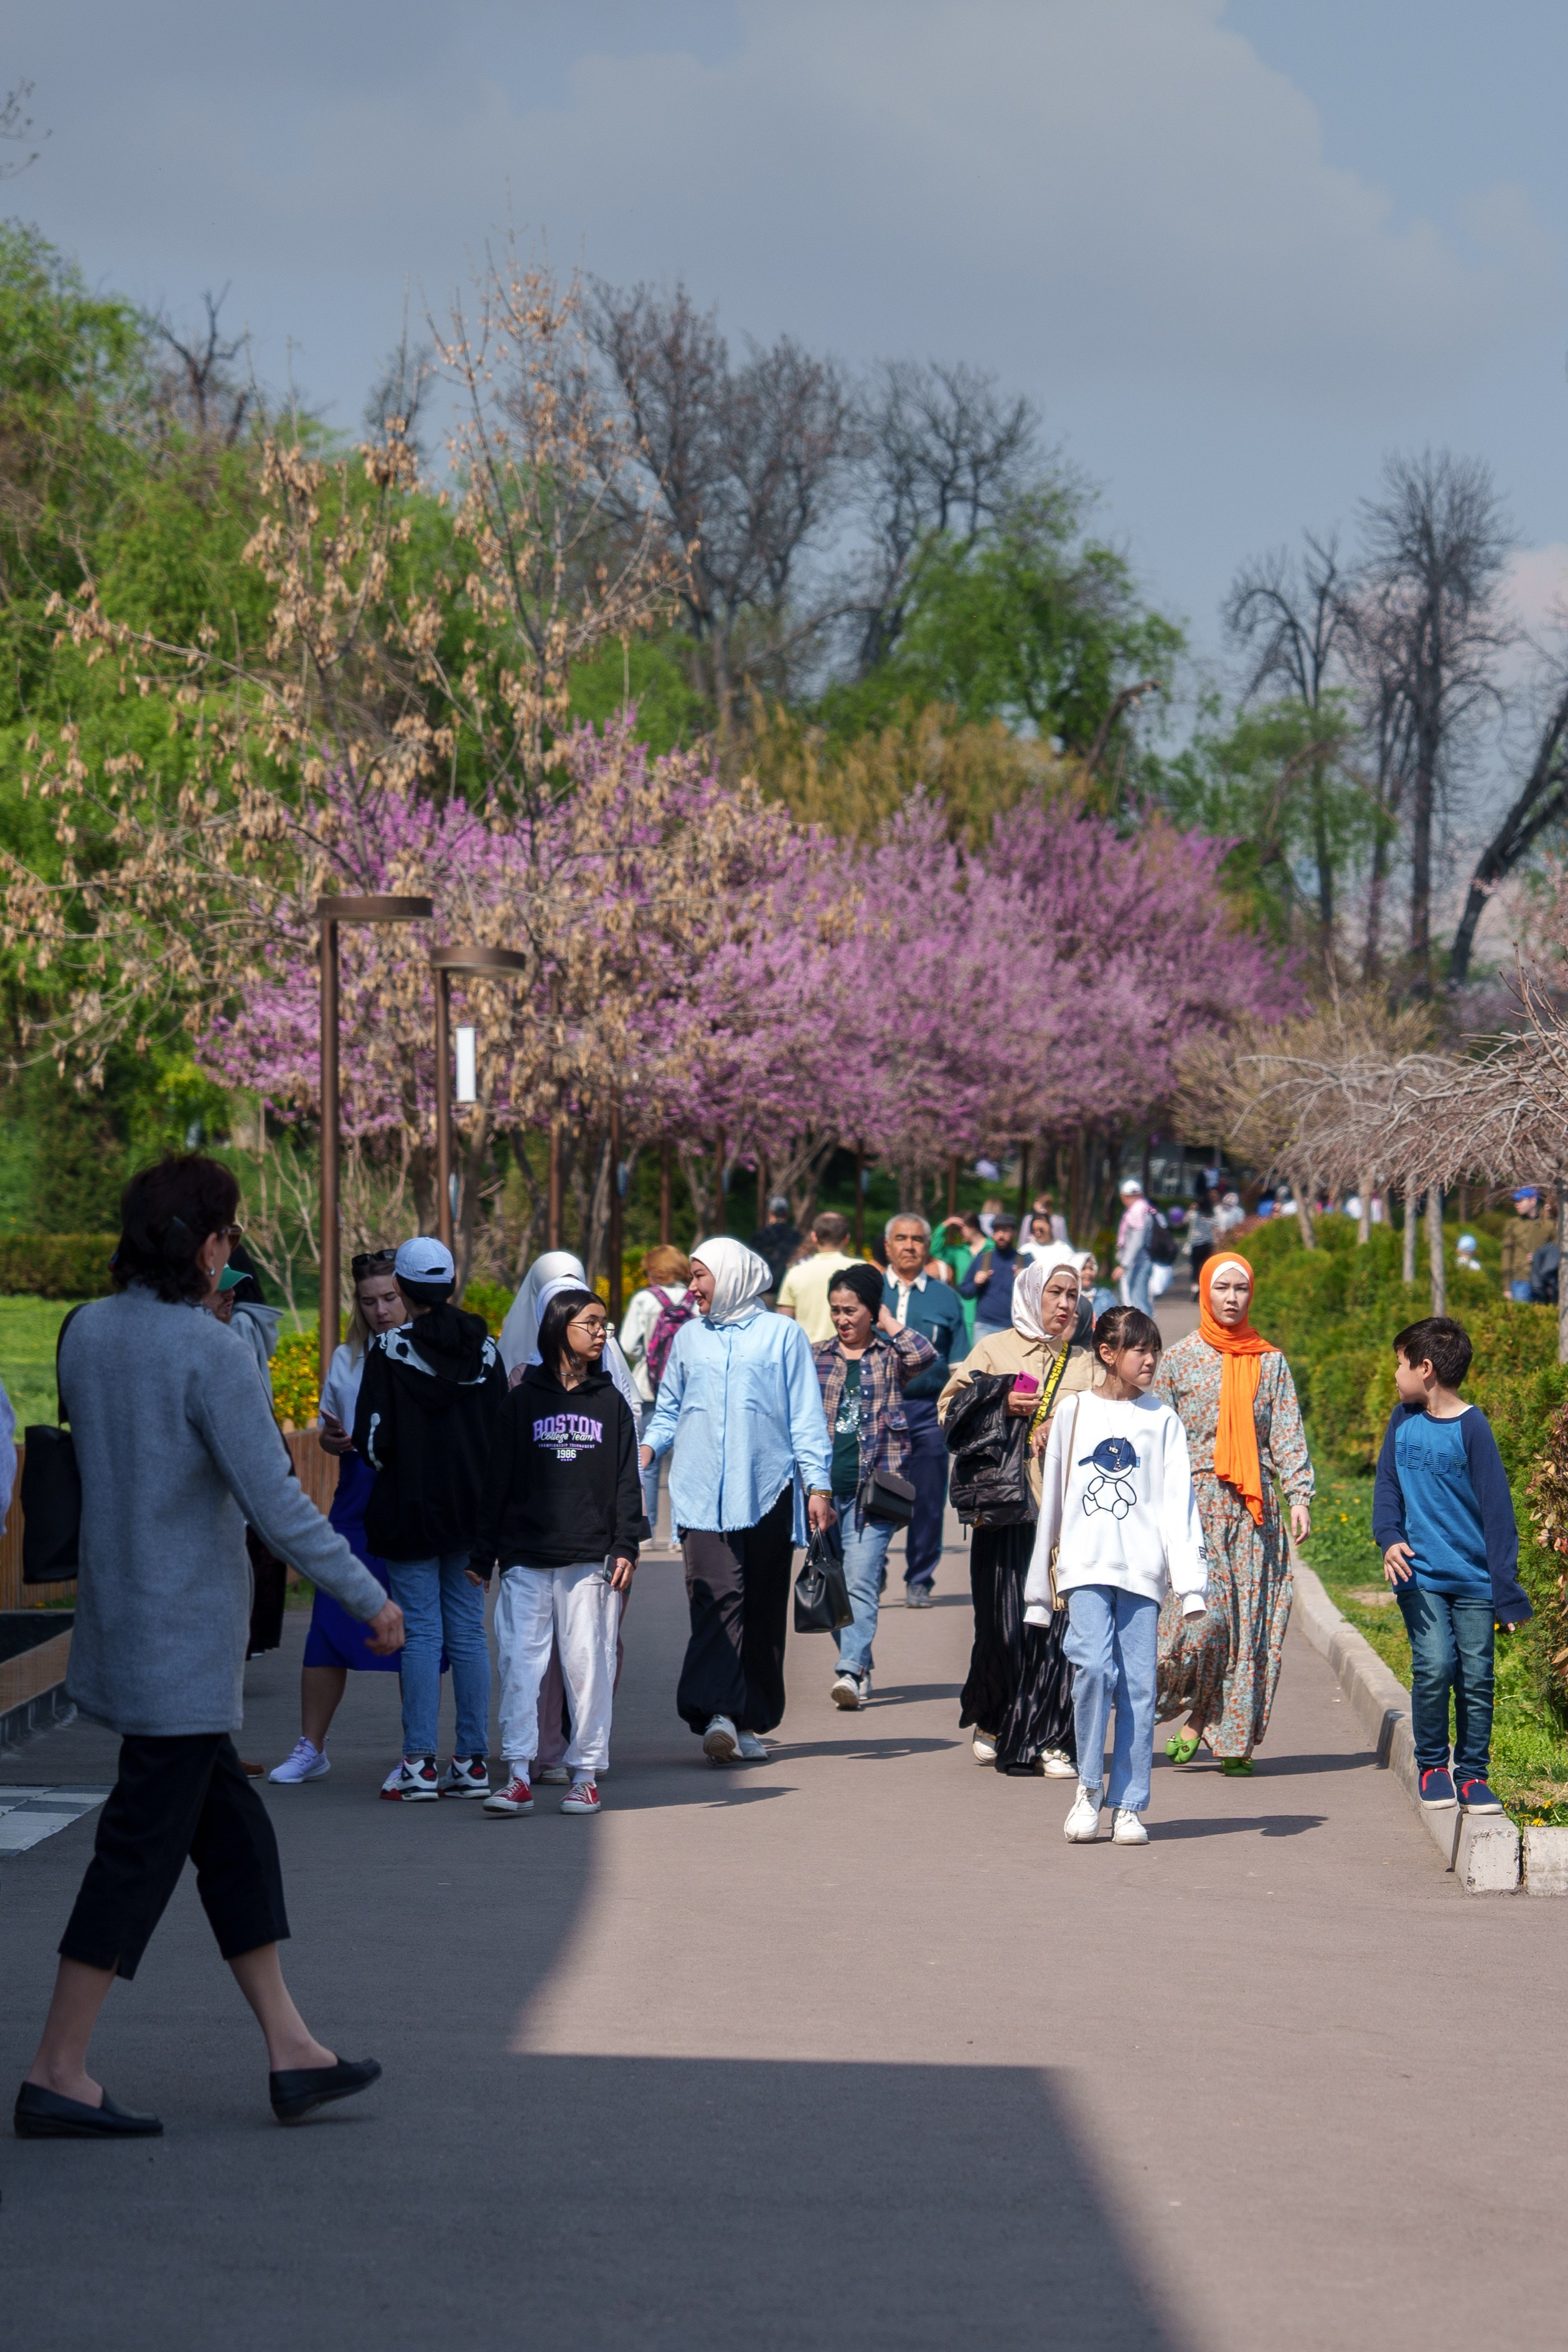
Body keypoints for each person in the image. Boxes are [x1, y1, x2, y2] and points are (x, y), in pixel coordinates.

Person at [16, 1154, 403, 2140]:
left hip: (121, 1623)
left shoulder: (87, 1331)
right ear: (204, 1244)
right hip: (182, 1641)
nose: (234, 1252)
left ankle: (292, 2048)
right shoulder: (209, 1352)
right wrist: (367, 1595)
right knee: (136, 1855)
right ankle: (58, 2068)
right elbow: (277, 1501)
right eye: (228, 1234)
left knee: (232, 1838)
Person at [641, 1236, 833, 1763]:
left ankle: (750, 1718)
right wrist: (645, 1450)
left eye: (702, 1277)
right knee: (715, 1597)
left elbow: (805, 1416)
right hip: (701, 1492)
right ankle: (716, 1712)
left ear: (732, 1277)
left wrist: (818, 1485)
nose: (694, 1287)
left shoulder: (782, 1335)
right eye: (693, 1277)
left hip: (768, 1488)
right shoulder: (688, 1339)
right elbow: (668, 1409)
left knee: (763, 1606)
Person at [1026, 1305, 1207, 1845]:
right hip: (1083, 1567)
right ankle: (1087, 1788)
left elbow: (1179, 1505)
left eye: (1153, 1349)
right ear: (1107, 1354)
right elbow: (1053, 1503)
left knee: (1137, 1687)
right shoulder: (1074, 1412)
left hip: (1142, 1574)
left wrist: (1189, 1583)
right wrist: (1040, 1590)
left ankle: (1128, 1804)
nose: (1151, 1359)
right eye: (1140, 1350)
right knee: (1091, 1672)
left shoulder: (1163, 1420)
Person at [473, 1286, 642, 1819]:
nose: (599, 1333)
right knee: (521, 1665)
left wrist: (626, 1545)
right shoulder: (522, 1401)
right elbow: (496, 1478)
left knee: (588, 1667)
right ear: (559, 1328)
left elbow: (625, 1481)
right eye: (589, 1323)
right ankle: (519, 1774)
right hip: (526, 1557)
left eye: (604, 1325)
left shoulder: (610, 1401)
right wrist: (484, 1554)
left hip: (591, 1559)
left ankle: (585, 1775)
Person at [352, 1236, 507, 1804]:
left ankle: (419, 1764)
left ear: (406, 1289)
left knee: (420, 1632)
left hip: (410, 1511)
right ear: (449, 1283)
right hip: (471, 1517)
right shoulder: (486, 1351)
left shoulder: (389, 1350)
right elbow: (500, 1437)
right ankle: (471, 1762)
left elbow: (372, 1441)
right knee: (468, 1632)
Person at [1154, 1254, 1313, 1774]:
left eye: (1241, 1288)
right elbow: (1156, 1442)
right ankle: (1197, 1715)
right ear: (1205, 1290)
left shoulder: (1269, 1361)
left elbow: (1285, 1434)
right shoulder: (1177, 1361)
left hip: (1255, 1513)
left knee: (1252, 1628)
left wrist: (1299, 1497)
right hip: (1195, 1507)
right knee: (1207, 1621)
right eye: (1221, 1287)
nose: (1230, 1298)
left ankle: (1230, 1740)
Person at [938, 1248, 1093, 1776]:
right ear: (1031, 1294)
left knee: (1056, 1628)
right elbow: (948, 1414)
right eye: (1055, 1293)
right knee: (1001, 1625)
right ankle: (995, 1717)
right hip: (1004, 1512)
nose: (1065, 1305)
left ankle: (1053, 1737)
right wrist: (999, 1400)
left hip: (1066, 1517)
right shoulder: (992, 1348)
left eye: (1072, 1295)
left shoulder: (1085, 1361)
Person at [1373, 1317, 1529, 1814]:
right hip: (1419, 1575)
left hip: (1475, 1581)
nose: (1393, 1375)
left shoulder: (1473, 1428)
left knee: (1477, 1678)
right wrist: (1390, 1539)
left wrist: (1505, 1591)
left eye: (1398, 1364)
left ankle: (1473, 1776)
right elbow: (1387, 1489)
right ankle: (1434, 1765)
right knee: (1436, 1663)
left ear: (1425, 1369)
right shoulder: (1402, 1420)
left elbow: (1499, 1516)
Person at [270, 1248, 410, 1789]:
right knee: (328, 1623)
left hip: (410, 1496)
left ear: (408, 1295)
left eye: (390, 1298)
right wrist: (331, 1440)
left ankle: (414, 1749)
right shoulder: (346, 1358)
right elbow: (334, 1434)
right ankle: (312, 1746)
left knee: (413, 1628)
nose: (380, 1310)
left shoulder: (431, 1352)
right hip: (355, 1497)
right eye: (369, 1300)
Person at [813, 1263, 936, 1705]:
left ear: (871, 1311)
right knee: (830, 1589)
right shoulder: (817, 1356)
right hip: (823, 1495)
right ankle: (859, 1658)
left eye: (851, 1310)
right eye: (836, 1311)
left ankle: (848, 1671)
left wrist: (887, 1321)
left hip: (873, 1497)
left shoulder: (889, 1357)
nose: (842, 1319)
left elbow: (925, 1354)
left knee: (861, 1582)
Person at [881, 1213, 967, 1606]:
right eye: (901, 1238)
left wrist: (956, 1414)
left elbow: (959, 1366)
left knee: (929, 1499)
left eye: (917, 1239)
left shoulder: (946, 1298)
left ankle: (920, 1578)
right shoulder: (869, 1291)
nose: (909, 1246)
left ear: (927, 1246)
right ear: (888, 1246)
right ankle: (871, 1567)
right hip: (875, 1410)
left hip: (927, 1410)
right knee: (869, 1493)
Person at [619, 1244, 693, 1538]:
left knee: (649, 1460)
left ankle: (648, 1530)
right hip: (688, 1388)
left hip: (650, 1387)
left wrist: (648, 1356)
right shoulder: (694, 1300)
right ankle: (679, 1533)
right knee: (683, 1461)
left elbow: (627, 1345)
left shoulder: (644, 1300)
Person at [776, 1210, 858, 1344]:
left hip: (808, 1354)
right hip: (853, 1352)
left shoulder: (795, 1272)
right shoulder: (861, 1270)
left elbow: (784, 1321)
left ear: (814, 1237)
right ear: (847, 1239)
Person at [959, 1208, 1023, 1337]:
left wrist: (1026, 1279)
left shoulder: (1024, 1261)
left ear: (1014, 1233)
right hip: (985, 1326)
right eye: (997, 1231)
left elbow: (1039, 1296)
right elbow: (965, 1291)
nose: (1000, 1235)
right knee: (981, 1358)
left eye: (1005, 1231)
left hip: (1014, 1327)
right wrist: (976, 1283)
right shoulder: (983, 1259)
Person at [1113, 1178, 1153, 1315]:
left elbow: (1137, 1240)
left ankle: (1146, 1334)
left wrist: (1124, 1265)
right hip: (1141, 1261)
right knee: (1140, 1300)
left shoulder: (1137, 1211)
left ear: (1124, 1196)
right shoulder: (1145, 1208)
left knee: (1138, 1302)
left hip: (1138, 1263)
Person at [749, 1194, 802, 1293]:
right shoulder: (796, 1236)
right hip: (788, 1289)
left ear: (769, 1213)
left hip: (764, 1290)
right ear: (787, 1214)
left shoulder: (760, 1236)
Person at [1186, 1189, 1217, 1302]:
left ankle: (1195, 1288)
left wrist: (1191, 1208)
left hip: (1195, 1244)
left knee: (1195, 1268)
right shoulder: (1211, 1215)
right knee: (1205, 1267)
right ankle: (1204, 1289)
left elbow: (1184, 1221)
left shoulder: (1194, 1214)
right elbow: (1216, 1228)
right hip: (1208, 1245)